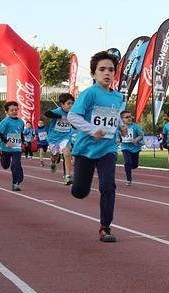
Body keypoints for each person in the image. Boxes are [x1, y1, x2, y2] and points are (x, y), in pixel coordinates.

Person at [68, 51, 127, 243]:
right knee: (79, 191)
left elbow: (114, 116)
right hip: (85, 149)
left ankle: (105, 227)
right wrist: (93, 130)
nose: (107, 73)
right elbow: (73, 116)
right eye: (102, 69)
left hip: (107, 149)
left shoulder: (118, 97)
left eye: (110, 70)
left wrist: (121, 126)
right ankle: (78, 186)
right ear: (93, 74)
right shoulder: (89, 93)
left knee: (108, 186)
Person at [45, 93, 74, 185]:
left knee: (67, 153)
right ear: (62, 104)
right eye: (68, 103)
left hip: (66, 137)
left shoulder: (73, 113)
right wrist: (60, 117)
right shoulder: (57, 111)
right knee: (55, 156)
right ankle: (53, 162)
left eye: (72, 103)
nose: (71, 105)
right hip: (53, 138)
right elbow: (47, 113)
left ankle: (68, 176)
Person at [0, 101, 25, 191]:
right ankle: (2, 156)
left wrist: (23, 142)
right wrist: (6, 141)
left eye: (16, 110)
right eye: (12, 110)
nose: (14, 112)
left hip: (16, 147)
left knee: (16, 164)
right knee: (5, 165)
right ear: (7, 112)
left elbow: (20, 134)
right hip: (5, 148)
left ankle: (16, 183)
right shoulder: (5, 122)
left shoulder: (21, 122)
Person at [118, 110, 144, 186]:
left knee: (134, 165)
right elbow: (117, 136)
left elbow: (141, 135)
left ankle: (129, 166)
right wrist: (118, 140)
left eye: (130, 117)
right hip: (125, 147)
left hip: (135, 148)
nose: (129, 118)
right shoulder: (120, 127)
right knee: (128, 163)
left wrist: (136, 139)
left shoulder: (135, 126)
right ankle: (129, 179)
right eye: (127, 117)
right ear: (122, 119)